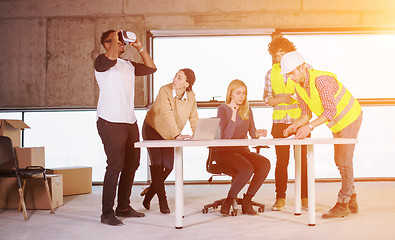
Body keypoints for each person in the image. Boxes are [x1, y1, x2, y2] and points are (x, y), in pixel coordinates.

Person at [281, 51, 362, 219]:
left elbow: (330, 110)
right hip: (337, 123)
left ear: (302, 67)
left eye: (293, 73)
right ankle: (352, 198)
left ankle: (343, 204)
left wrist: (309, 127)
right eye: (288, 74)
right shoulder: (299, 86)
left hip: (350, 117)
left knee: (344, 161)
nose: (291, 78)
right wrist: (294, 125)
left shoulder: (321, 80)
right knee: (338, 161)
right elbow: (306, 114)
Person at [94, 30, 157, 226]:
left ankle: (123, 207)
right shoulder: (102, 62)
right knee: (115, 166)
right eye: (117, 42)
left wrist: (139, 46)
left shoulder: (128, 65)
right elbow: (111, 56)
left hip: (130, 121)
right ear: (107, 43)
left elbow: (151, 67)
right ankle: (107, 213)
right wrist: (115, 34)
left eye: (123, 43)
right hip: (110, 121)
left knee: (133, 164)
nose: (122, 45)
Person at [141, 68, 199, 214]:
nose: (174, 79)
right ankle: (162, 199)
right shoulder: (164, 90)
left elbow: (193, 117)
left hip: (170, 133)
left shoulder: (191, 96)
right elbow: (166, 115)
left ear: (187, 84)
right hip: (153, 128)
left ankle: (149, 194)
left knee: (169, 166)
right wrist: (177, 134)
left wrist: (198, 133)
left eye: (179, 78)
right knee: (158, 164)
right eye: (175, 76)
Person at [263, 34, 310, 211]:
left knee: (303, 161)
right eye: (276, 55)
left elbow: (309, 94)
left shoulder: (304, 68)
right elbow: (267, 98)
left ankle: (305, 197)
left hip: (300, 121)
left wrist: (289, 98)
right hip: (279, 123)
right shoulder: (270, 73)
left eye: (282, 53)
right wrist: (282, 99)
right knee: (281, 162)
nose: (279, 58)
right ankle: (280, 198)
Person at [215, 79, 271, 216]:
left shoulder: (247, 109)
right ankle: (228, 201)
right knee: (247, 168)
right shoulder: (223, 109)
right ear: (230, 94)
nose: (241, 96)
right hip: (224, 151)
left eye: (244, 93)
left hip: (241, 150)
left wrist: (258, 133)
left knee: (265, 163)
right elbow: (225, 137)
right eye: (238, 93)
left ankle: (247, 201)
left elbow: (252, 133)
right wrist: (233, 115)